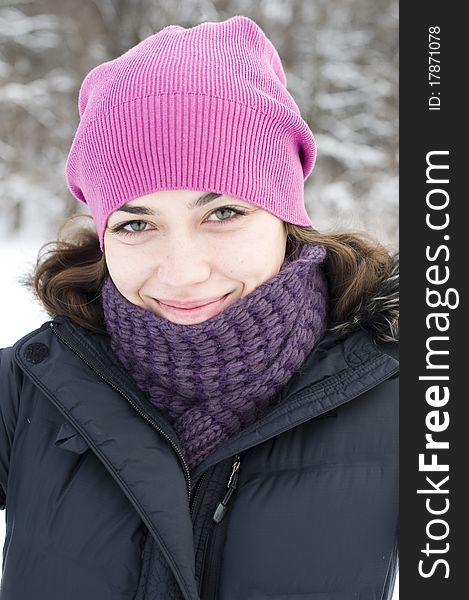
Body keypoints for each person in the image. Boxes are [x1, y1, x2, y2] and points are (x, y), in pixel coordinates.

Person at [0, 15, 398, 600]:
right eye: (137, 223)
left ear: (285, 216)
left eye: (224, 213)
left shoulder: (406, 398)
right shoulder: (28, 388)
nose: (183, 272)